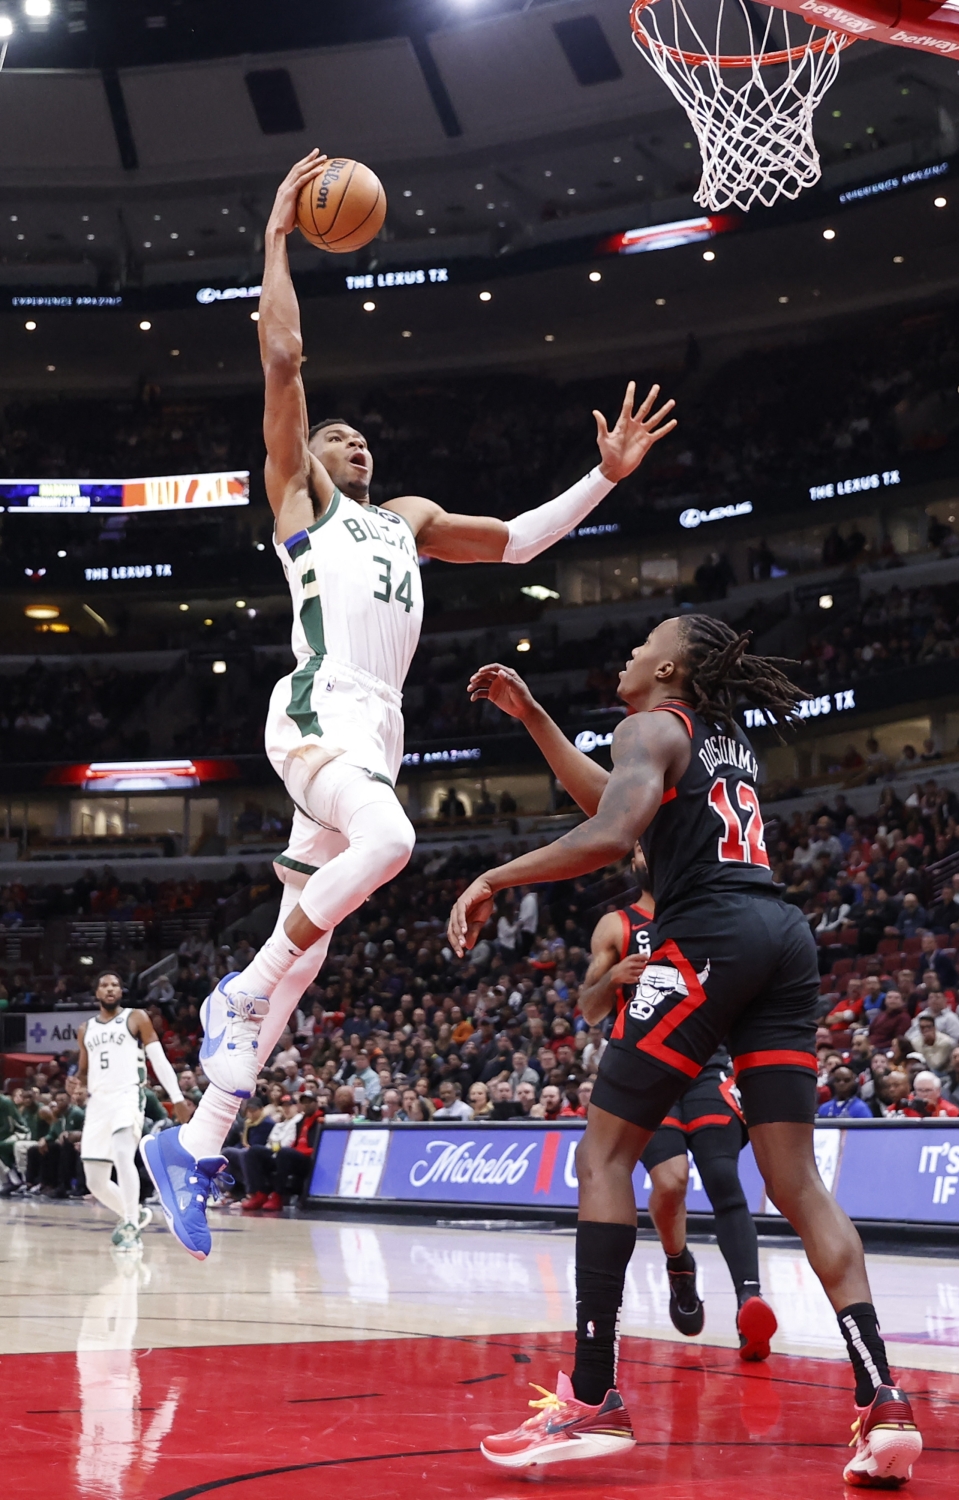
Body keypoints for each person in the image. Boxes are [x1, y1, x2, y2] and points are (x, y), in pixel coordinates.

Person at [144, 153, 678, 1262]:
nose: (356, 443)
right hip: (316, 710)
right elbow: (284, 356)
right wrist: (280, 235)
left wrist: (607, 479)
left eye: (362, 440)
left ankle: (191, 1145)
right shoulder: (302, 498)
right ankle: (233, 995)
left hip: (374, 725)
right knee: (385, 846)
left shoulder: (407, 517)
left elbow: (523, 540)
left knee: (313, 955)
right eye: (341, 437)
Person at [449, 619, 922, 1484]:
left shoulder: (648, 725)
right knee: (797, 1183)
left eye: (642, 645)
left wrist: (493, 877)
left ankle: (593, 1400)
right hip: (783, 938)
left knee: (603, 1156)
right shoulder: (717, 740)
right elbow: (615, 805)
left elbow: (605, 835)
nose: (626, 653)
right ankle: (884, 1399)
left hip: (709, 935)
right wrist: (533, 718)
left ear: (667, 669)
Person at [579, 847, 776, 1360]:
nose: (650, 851)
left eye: (656, 843)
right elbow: (588, 1009)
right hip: (646, 1067)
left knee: (724, 1177)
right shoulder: (616, 925)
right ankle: (678, 1263)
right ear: (634, 861)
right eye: (643, 845)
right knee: (671, 1182)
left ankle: (749, 1302)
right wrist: (612, 978)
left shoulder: (704, 914)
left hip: (706, 1065)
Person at [76, 970, 191, 1252]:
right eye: (104, 985)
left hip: (128, 1094)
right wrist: (76, 1084)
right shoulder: (85, 1029)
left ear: (121, 991)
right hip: (98, 1102)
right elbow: (83, 1071)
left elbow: (159, 1058)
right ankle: (135, 1213)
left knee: (123, 1153)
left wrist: (176, 1097)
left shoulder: (136, 1017)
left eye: (115, 984)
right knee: (95, 1180)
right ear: (97, 994)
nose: (110, 988)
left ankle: (130, 1228)